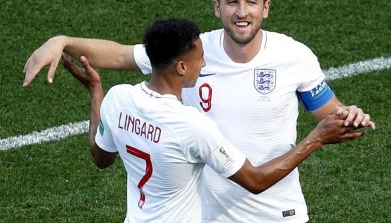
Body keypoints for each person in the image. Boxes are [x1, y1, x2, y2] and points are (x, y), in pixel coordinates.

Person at [24, 0, 375, 222]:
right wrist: (63, 41)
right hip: (209, 215)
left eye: (251, 2)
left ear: (265, 8)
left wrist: (349, 116)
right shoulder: (190, 51)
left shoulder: (294, 57)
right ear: (217, 7)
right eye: (232, 2)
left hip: (277, 213)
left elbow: (331, 115)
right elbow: (118, 54)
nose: (242, 12)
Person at [62, 17, 367, 222]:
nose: (205, 62)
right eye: (200, 57)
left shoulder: (118, 99)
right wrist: (317, 138)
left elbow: (100, 158)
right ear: (181, 67)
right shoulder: (193, 127)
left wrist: (95, 89)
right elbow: (256, 181)